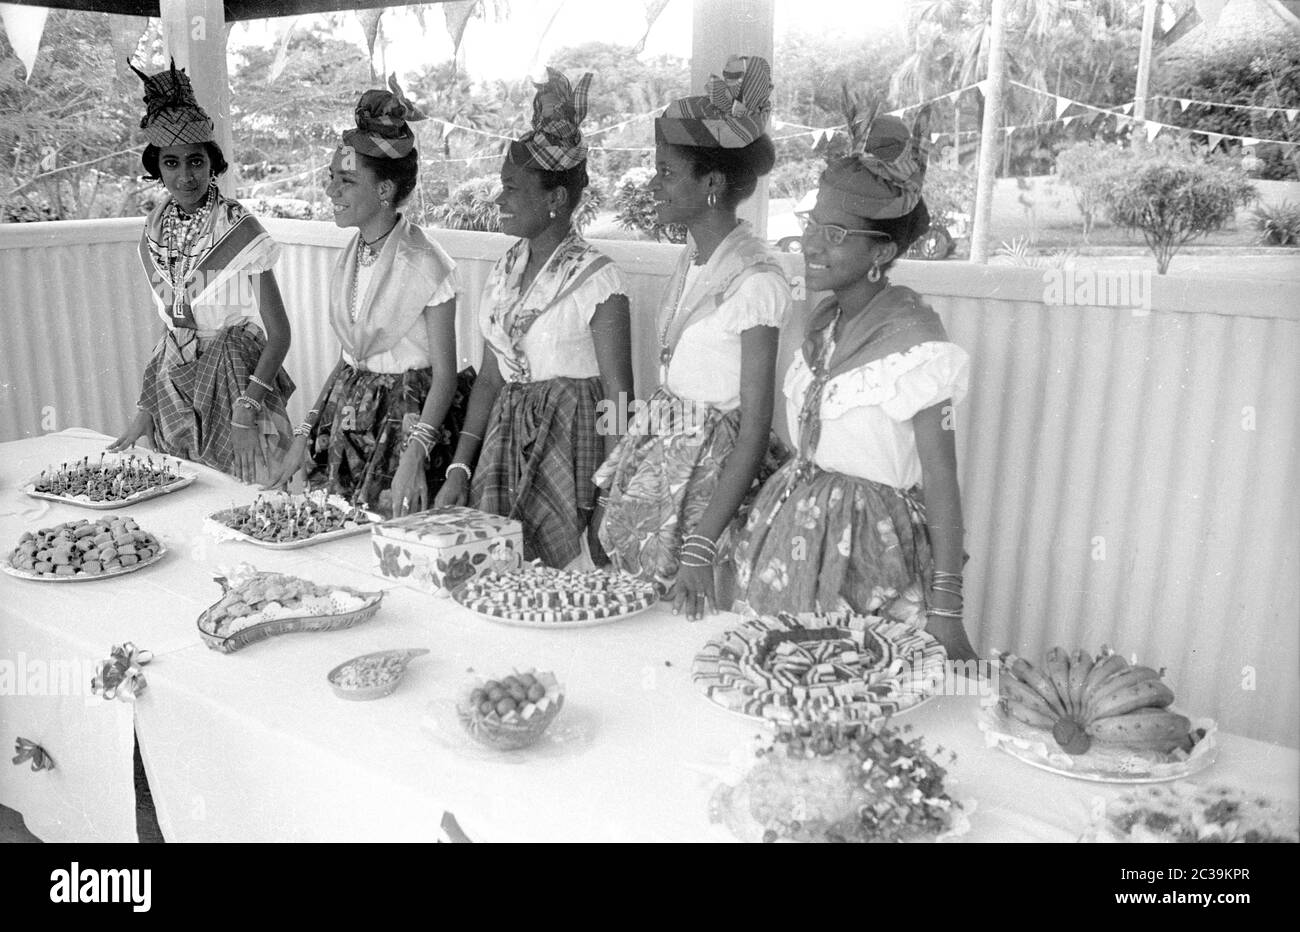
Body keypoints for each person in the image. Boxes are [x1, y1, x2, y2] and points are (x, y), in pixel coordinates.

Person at [732, 104, 978, 662]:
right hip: (795, 544)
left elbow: (942, 479)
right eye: (811, 226)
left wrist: (947, 606)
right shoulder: (821, 328)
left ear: (882, 252)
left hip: (874, 556)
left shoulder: (917, 350)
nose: (812, 245)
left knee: (861, 697)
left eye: (836, 233)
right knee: (789, 692)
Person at [594, 55, 791, 620]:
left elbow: (754, 427)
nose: (654, 184)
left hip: (713, 482)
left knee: (695, 618)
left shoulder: (755, 281)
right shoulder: (695, 258)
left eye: (665, 173)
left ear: (711, 184)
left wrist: (703, 545)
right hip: (668, 452)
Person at [433, 68, 633, 568]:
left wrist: (608, 494)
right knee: (503, 576)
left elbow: (618, 398)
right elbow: (489, 379)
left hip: (572, 449)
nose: (498, 199)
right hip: (504, 449)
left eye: (510, 188)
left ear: (555, 198)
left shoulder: (597, 280)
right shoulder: (505, 271)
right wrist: (461, 463)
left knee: (567, 583)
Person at [265, 76, 472, 518]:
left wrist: (414, 456)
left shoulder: (426, 264)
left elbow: (445, 377)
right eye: (330, 179)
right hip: (349, 420)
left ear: (384, 190)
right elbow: (348, 361)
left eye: (345, 181)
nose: (330, 192)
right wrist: (304, 434)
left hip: (408, 424)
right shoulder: (353, 255)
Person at [109, 59, 293, 484]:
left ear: (213, 163)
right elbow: (173, 331)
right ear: (158, 168)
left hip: (237, 384)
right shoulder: (155, 231)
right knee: (189, 504)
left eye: (195, 161)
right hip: (176, 393)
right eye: (171, 163)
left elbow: (280, 333)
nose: (185, 175)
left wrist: (247, 409)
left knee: (250, 500)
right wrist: (146, 408)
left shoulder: (237, 227)